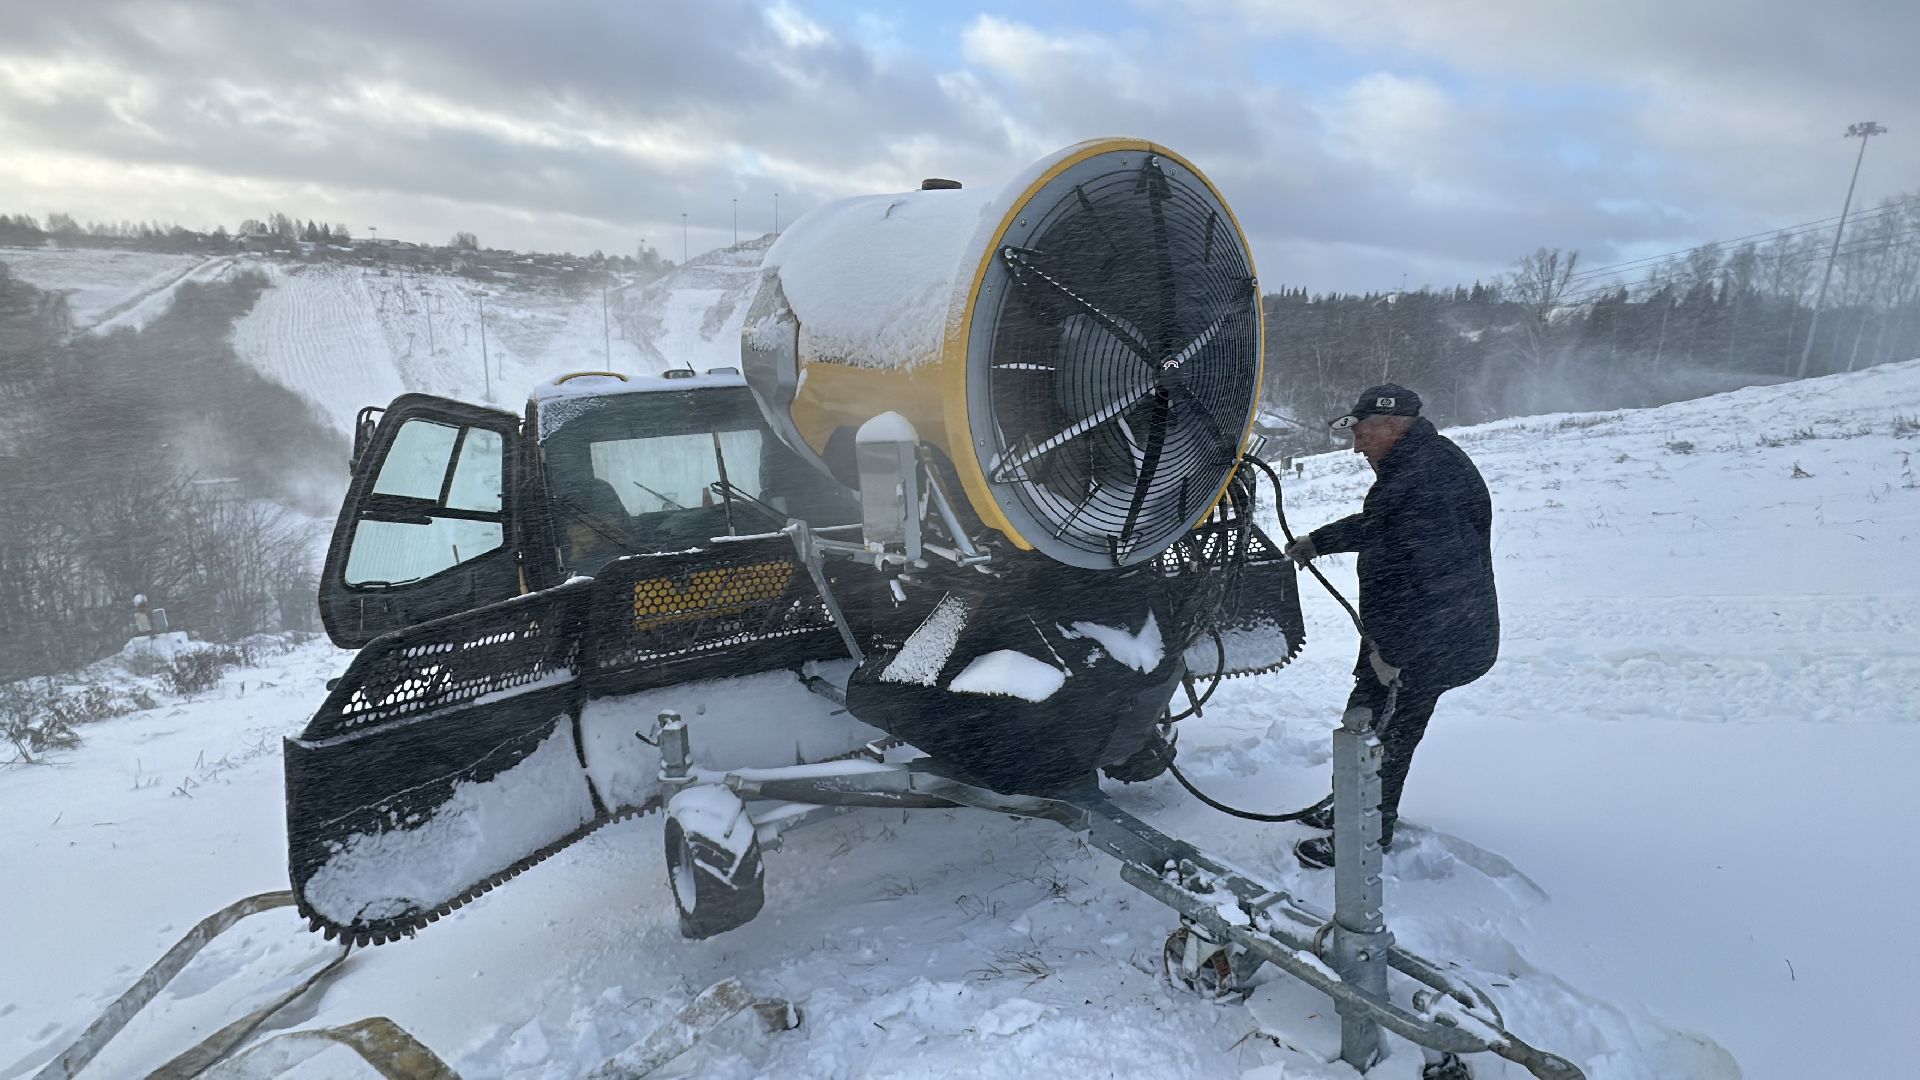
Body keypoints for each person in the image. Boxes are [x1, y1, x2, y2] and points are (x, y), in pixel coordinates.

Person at [1282, 384, 1498, 869]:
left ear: (1391, 426)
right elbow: (1385, 527)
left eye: (1362, 434)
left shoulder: (1428, 479)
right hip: (1415, 635)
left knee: (1381, 734)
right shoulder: (1416, 466)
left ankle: (1362, 836)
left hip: (1431, 642)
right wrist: (1320, 541)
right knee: (1368, 723)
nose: (1357, 446)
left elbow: (1439, 581)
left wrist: (1396, 654)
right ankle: (1353, 808)